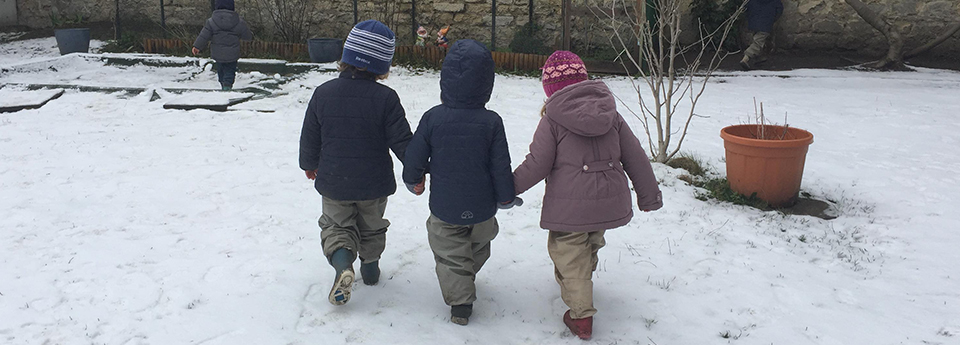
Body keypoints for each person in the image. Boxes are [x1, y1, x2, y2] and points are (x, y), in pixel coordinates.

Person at [512, 51, 663, 340]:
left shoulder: (553, 119)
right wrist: (649, 196)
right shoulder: (611, 113)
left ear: (550, 89)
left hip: (570, 209)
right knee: (591, 240)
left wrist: (507, 187)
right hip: (609, 200)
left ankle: (581, 315)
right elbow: (636, 157)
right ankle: (582, 279)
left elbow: (537, 163)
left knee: (568, 253)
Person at [402, 39, 521, 326]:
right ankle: (464, 285)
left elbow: (415, 156)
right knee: (479, 245)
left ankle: (460, 300)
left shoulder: (433, 118)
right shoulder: (491, 122)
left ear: (445, 80)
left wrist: (412, 179)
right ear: (487, 84)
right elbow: (500, 166)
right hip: (482, 208)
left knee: (451, 254)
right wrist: (505, 197)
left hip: (445, 207)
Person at [299, 20, 412, 306]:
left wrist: (309, 163)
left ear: (345, 57)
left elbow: (310, 135)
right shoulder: (386, 98)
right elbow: (402, 141)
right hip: (374, 185)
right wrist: (416, 170)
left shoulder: (323, 94)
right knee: (372, 227)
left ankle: (342, 266)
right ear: (383, 67)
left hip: (334, 180)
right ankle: (370, 267)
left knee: (337, 227)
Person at [191, 0, 254, 91]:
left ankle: (223, 84)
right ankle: (227, 85)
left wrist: (197, 46)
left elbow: (204, 36)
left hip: (218, 53)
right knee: (230, 70)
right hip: (232, 53)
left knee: (221, 70)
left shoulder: (211, 21)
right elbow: (247, 36)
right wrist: (250, 37)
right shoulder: (239, 21)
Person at [740, 0, 784, 70]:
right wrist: (773, 19)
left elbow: (745, 6)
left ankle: (759, 57)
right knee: (758, 42)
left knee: (759, 39)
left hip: (753, 21)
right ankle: (746, 58)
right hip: (766, 22)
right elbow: (779, 9)